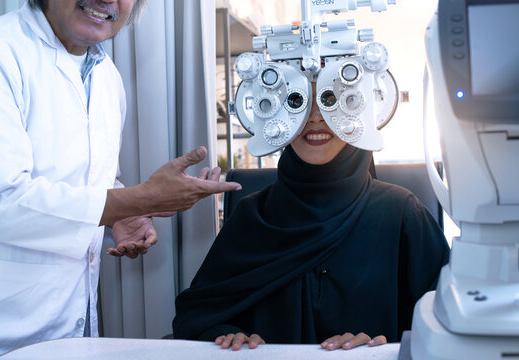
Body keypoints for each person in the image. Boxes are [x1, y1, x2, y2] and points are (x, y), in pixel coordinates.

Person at [0, 0, 240, 358]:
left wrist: (120, 215)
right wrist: (141, 199)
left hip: (71, 325)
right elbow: (0, 202)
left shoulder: (107, 75)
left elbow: (96, 180)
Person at [172, 83, 450, 351]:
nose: (315, 116)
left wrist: (378, 345)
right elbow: (197, 315)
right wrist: (228, 335)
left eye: (331, 100)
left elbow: (446, 320)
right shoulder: (252, 215)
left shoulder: (402, 213)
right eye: (297, 101)